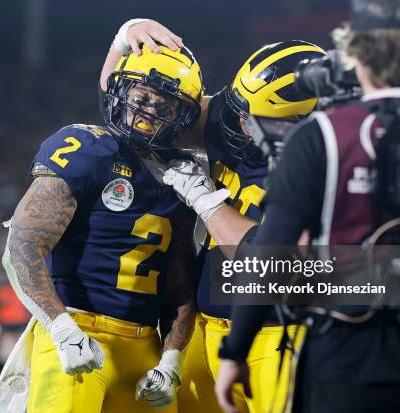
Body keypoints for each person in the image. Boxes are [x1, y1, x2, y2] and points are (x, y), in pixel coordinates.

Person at [163, 1, 400, 412]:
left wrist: (236, 350)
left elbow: (271, 257)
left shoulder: (324, 135)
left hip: (344, 347)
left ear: (355, 58)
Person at [103, 20, 325, 413]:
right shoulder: (232, 114)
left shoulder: (329, 163)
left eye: (252, 117)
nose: (237, 121)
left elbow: (273, 261)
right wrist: (125, 38)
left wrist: (206, 202)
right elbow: (133, 107)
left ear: (300, 125)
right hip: (205, 328)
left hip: (277, 335)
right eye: (238, 106)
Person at [0, 44, 203, 413]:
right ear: (121, 93)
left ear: (181, 117)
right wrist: (61, 329)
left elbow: (181, 281)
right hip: (76, 332)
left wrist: (172, 358)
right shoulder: (85, 147)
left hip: (144, 348)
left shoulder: (182, 176)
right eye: (142, 97)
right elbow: (23, 244)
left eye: (163, 106)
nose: (148, 112)